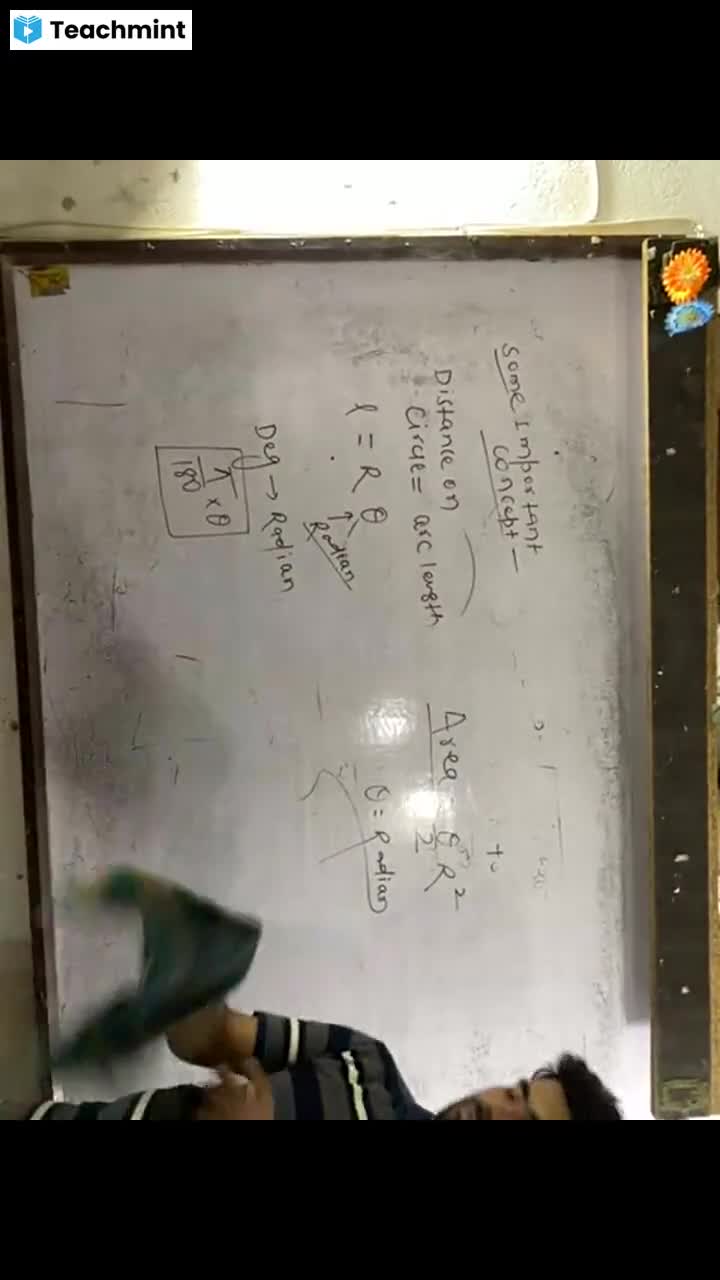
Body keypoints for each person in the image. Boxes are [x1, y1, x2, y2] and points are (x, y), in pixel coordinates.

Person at [9, 1002, 622, 1120]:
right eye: (515, 1092)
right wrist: (187, 995)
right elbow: (212, 1038)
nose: (497, 1109)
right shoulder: (368, 1061)